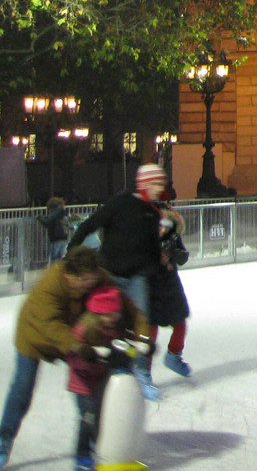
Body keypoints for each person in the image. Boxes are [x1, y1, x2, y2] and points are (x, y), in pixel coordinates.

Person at [0, 247, 118, 467]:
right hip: (34, 337)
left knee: (89, 392)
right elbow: (49, 325)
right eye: (84, 280)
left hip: (73, 335)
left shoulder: (97, 277)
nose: (89, 285)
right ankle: (3, 440)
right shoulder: (51, 283)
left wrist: (141, 334)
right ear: (69, 275)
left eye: (92, 278)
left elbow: (120, 303)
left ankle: (87, 448)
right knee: (23, 389)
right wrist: (78, 346)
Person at [67, 165, 167, 401]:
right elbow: (89, 224)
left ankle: (142, 375)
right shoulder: (120, 203)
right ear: (144, 184)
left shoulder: (153, 213)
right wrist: (72, 251)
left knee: (141, 325)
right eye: (156, 184)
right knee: (107, 325)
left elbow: (152, 248)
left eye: (161, 185)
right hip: (109, 275)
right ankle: (106, 370)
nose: (160, 189)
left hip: (137, 278)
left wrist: (157, 270)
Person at [66, 284, 144, 471]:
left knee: (105, 417)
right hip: (83, 384)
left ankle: (104, 450)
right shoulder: (83, 330)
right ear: (96, 314)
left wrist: (141, 345)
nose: (112, 318)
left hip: (103, 382)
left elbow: (127, 344)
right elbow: (73, 358)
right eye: (108, 314)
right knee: (88, 418)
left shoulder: (116, 328)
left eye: (115, 313)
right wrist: (91, 357)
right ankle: (82, 456)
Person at [150, 203, 193, 378]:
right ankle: (144, 369)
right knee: (149, 329)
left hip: (171, 288)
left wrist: (171, 255)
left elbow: (183, 256)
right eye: (159, 226)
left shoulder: (174, 239)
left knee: (180, 324)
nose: (162, 230)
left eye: (166, 227)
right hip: (152, 288)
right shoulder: (146, 240)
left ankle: (173, 356)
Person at [39, 198, 72, 262]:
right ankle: (60, 270)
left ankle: (54, 271)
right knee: (61, 257)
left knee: (53, 258)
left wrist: (40, 218)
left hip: (56, 237)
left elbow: (47, 222)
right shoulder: (64, 213)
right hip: (64, 237)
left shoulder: (55, 213)